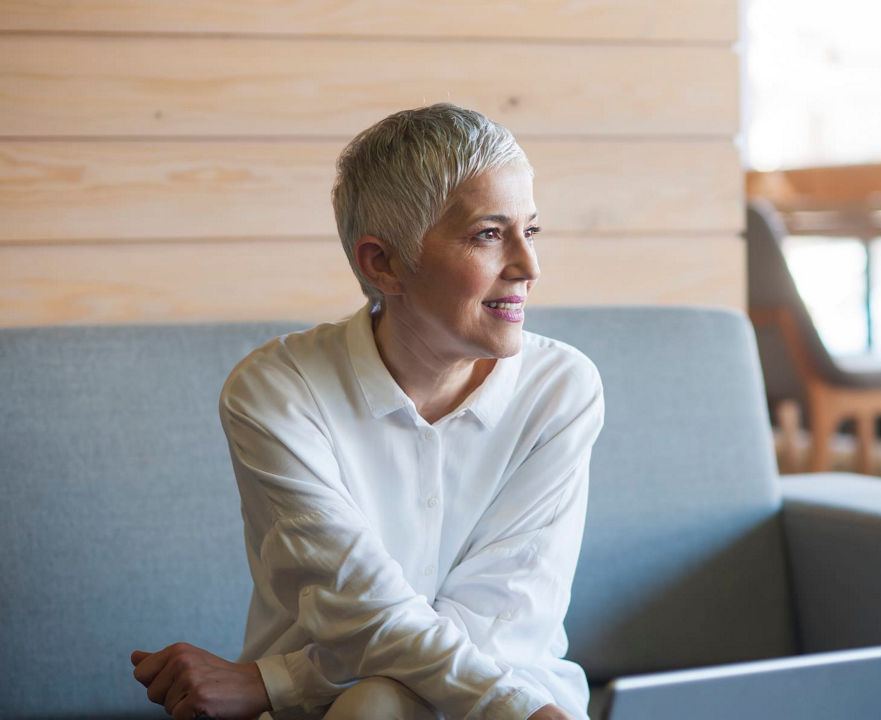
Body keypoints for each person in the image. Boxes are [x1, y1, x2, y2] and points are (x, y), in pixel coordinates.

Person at [130, 104, 604, 720]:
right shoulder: (278, 393)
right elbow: (361, 606)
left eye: (530, 230)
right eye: (489, 234)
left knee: (380, 699)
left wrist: (275, 681)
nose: (528, 267)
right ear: (382, 263)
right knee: (375, 703)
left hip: (511, 687)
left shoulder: (561, 387)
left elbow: (503, 615)